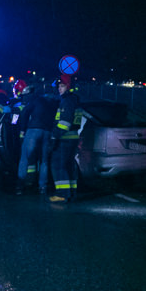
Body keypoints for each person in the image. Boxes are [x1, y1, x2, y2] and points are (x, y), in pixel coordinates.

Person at [16, 82, 56, 195]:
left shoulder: (34, 100)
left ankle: (20, 186)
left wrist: (22, 130)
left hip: (33, 130)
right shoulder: (52, 102)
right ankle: (42, 187)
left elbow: (24, 114)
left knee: (24, 158)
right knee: (44, 161)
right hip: (47, 132)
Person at [49, 74, 82, 203]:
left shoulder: (67, 101)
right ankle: (71, 192)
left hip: (65, 139)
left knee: (58, 165)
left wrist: (53, 136)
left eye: (62, 86)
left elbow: (65, 124)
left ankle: (62, 194)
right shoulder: (74, 99)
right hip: (72, 138)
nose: (59, 88)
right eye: (59, 86)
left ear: (68, 87)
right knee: (69, 166)